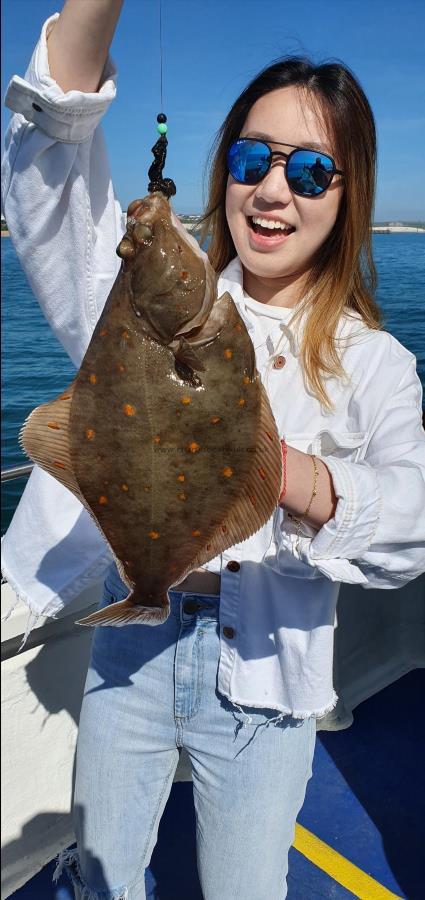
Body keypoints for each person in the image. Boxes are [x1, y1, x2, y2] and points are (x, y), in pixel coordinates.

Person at [2, 2, 425, 898]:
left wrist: (275, 472)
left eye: (313, 171)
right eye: (251, 159)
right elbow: (48, 165)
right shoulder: (133, 295)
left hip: (271, 676)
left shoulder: (377, 364)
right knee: (103, 878)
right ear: (222, 168)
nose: (274, 191)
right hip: (132, 643)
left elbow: (410, 537)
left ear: (348, 196)